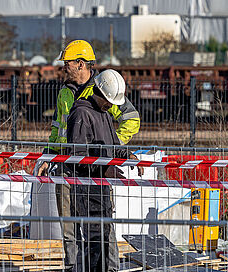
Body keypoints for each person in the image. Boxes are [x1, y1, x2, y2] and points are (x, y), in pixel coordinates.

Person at [33, 40, 140, 269]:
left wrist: (109, 148)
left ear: (80, 64)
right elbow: (57, 129)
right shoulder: (64, 93)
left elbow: (131, 119)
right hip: (64, 167)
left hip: (93, 172)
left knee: (101, 227)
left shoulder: (102, 91)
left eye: (67, 63)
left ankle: (107, 268)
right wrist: (47, 156)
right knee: (69, 227)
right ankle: (74, 267)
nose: (63, 67)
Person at [61, 69, 143, 271]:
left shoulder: (103, 114)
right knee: (94, 240)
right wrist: (104, 170)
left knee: (104, 237)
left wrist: (129, 156)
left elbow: (113, 145)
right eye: (109, 101)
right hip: (87, 188)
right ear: (101, 93)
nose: (111, 106)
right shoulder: (81, 113)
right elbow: (77, 155)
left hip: (101, 188)